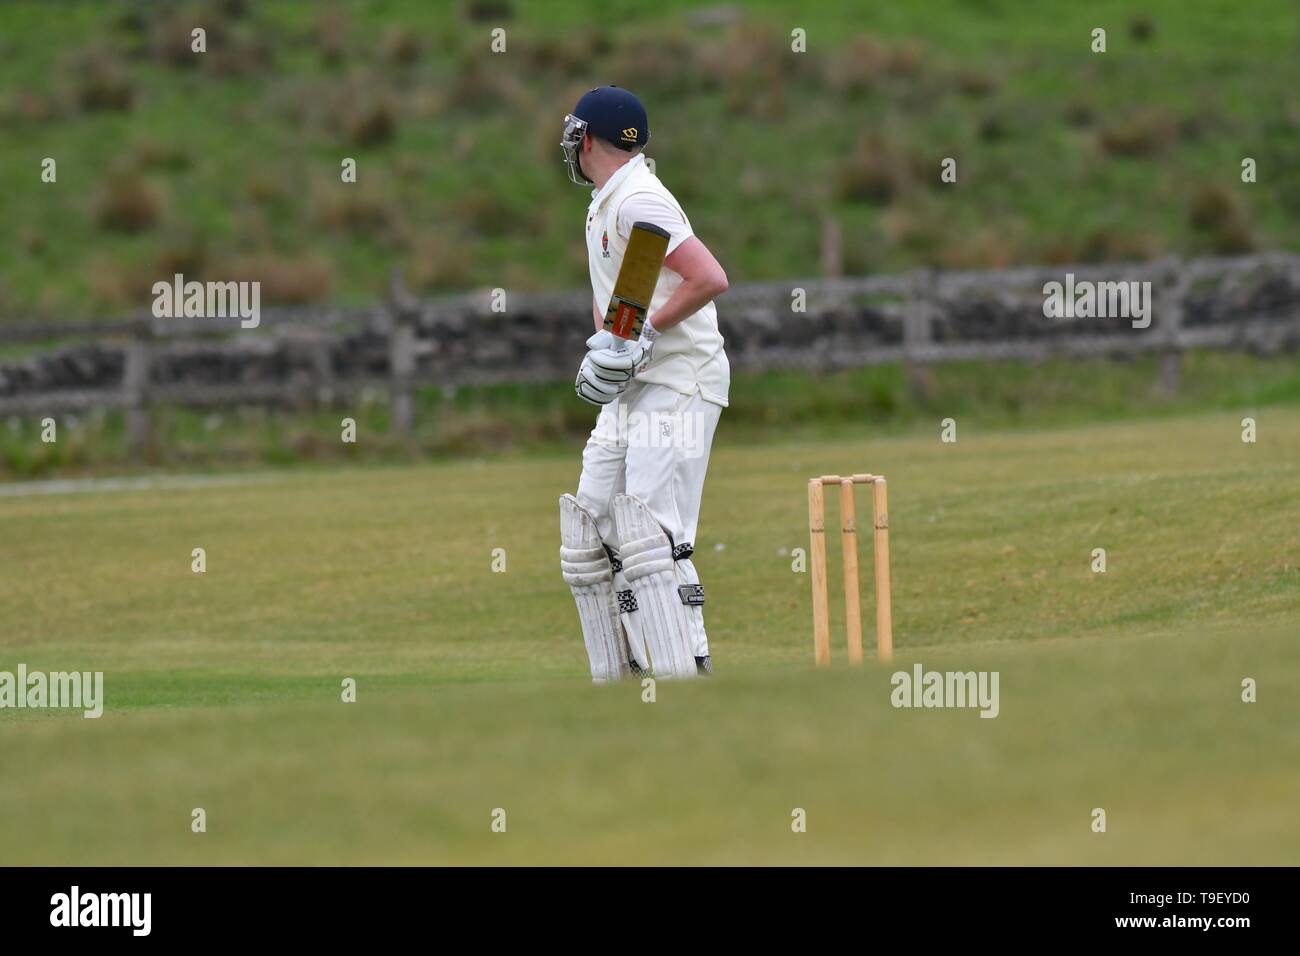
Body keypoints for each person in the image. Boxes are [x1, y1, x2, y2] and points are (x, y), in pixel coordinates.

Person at [557, 86, 730, 681]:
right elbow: (629, 295)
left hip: (681, 380)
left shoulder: (639, 199)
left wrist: (644, 336)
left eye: (573, 131)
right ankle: (624, 676)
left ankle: (688, 672)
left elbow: (708, 277)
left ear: (587, 137)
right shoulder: (611, 198)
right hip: (641, 384)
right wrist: (611, 349)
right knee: (592, 526)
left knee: (651, 530)